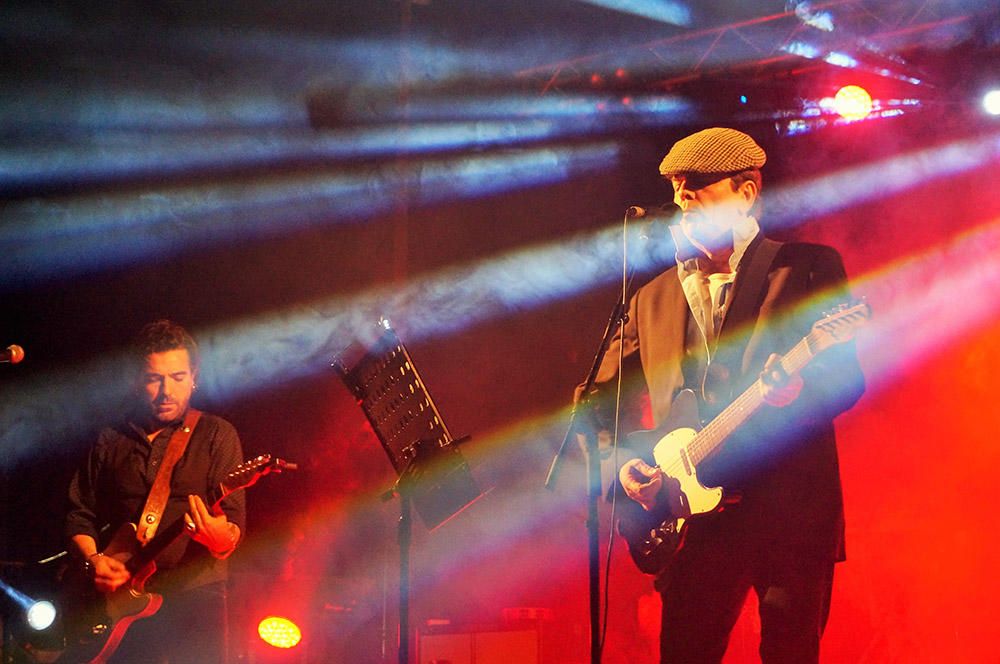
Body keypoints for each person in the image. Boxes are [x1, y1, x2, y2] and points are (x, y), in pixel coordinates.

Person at [582, 128, 865, 663]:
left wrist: (800, 388)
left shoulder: (804, 267)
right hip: (692, 520)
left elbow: (847, 380)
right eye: (679, 188)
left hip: (789, 515)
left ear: (746, 192)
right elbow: (597, 405)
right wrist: (622, 467)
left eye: (699, 185)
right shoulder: (650, 298)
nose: (683, 199)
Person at [65, 320, 245, 663]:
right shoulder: (110, 437)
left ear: (194, 378)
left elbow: (234, 529)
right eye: (154, 379)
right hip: (116, 606)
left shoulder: (217, 435)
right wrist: (94, 561)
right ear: (137, 382)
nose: (167, 391)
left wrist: (217, 536)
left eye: (178, 378)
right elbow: (79, 514)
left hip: (193, 601)